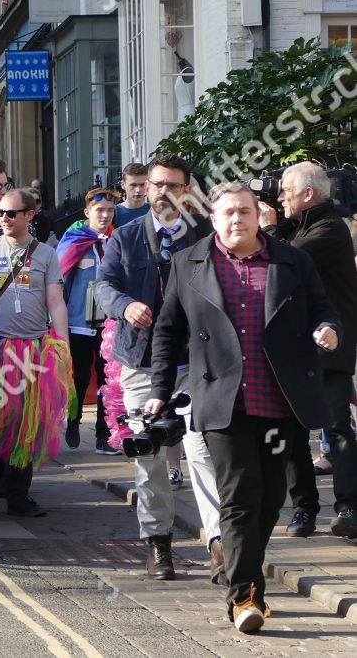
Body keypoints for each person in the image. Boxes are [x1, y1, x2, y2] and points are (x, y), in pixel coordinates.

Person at [146, 181, 341, 633]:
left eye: (245, 212)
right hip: (223, 403)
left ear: (260, 216)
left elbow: (323, 309)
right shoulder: (188, 263)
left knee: (272, 499)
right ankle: (246, 596)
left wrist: (329, 329)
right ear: (213, 218)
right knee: (238, 498)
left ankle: (240, 562)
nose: (238, 220)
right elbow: (167, 331)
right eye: (228, 212)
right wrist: (159, 388)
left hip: (279, 402)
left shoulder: (292, 260)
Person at [96, 154, 222, 581]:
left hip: (195, 360)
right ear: (145, 188)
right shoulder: (125, 236)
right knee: (148, 454)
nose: (163, 192)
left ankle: (219, 542)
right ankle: (158, 545)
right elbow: (103, 285)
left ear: (187, 191)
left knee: (202, 449)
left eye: (172, 185)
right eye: (156, 185)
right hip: (141, 361)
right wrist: (126, 305)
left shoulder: (206, 235)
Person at [258, 162, 357, 538]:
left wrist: (268, 228)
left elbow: (283, 263)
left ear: (308, 194)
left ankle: (348, 505)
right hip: (295, 349)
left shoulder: (330, 229)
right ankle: (304, 509)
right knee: (294, 431)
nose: (279, 197)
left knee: (336, 426)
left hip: (328, 345)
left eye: (285, 190)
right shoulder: (299, 225)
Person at [0, 188, 73, 516]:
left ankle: (18, 493)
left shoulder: (46, 255)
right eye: (0, 213)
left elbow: (55, 301)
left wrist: (62, 344)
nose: (5, 219)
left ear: (29, 215)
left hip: (34, 349)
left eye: (12, 213)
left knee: (29, 421)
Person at [60, 188, 116, 453]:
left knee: (108, 379)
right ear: (87, 213)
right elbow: (59, 278)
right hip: (79, 321)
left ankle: (103, 435)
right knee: (79, 378)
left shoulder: (118, 240)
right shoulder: (74, 240)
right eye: (99, 210)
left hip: (109, 323)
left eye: (109, 210)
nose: (105, 215)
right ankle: (73, 420)